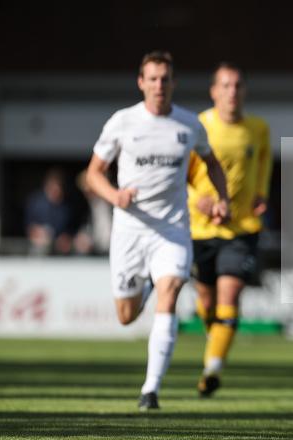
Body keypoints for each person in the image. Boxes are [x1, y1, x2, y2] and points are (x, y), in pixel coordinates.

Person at [85, 51, 230, 411]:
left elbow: (212, 164)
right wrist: (115, 196)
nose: (159, 85)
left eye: (165, 78)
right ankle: (145, 285)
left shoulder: (188, 124)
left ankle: (150, 390)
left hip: (172, 228)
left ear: (173, 82)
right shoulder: (122, 122)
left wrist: (222, 199)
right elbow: (93, 173)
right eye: (152, 78)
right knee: (126, 316)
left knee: (171, 292)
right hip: (130, 230)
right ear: (141, 82)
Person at [187, 62, 271, 397]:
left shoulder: (257, 128)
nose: (232, 91)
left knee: (230, 295)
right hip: (200, 229)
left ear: (244, 90)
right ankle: (216, 340)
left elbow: (263, 161)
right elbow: (180, 176)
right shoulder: (198, 126)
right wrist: (199, 201)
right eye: (225, 85)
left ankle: (212, 369)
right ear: (213, 91)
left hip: (241, 228)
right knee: (206, 302)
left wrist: (261, 193)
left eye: (237, 85)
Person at [25, 168, 90, 256]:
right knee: (40, 247)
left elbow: (74, 228)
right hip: (41, 245)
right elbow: (29, 228)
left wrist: (67, 237)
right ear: (47, 187)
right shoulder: (35, 203)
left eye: (58, 190)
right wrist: (40, 233)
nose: (56, 193)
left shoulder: (68, 205)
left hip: (64, 246)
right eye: (52, 189)